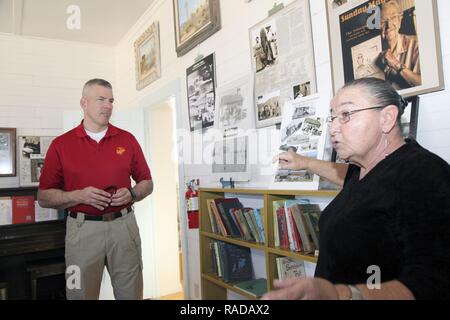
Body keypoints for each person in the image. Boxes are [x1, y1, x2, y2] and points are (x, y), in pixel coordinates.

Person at [264, 77, 450, 300]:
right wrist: (305, 162)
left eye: (346, 115)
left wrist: (341, 294)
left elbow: (432, 282)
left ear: (387, 118)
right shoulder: (363, 169)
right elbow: (367, 185)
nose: (333, 128)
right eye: (332, 117)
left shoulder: (425, 174)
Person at [37, 79, 154, 300]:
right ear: (84, 102)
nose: (108, 105)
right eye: (101, 100)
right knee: (79, 294)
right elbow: (43, 197)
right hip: (81, 232)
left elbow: (147, 182)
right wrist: (78, 195)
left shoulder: (127, 139)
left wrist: (132, 193)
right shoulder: (61, 145)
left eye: (110, 100)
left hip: (124, 228)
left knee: (132, 294)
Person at [376, 0, 421, 89]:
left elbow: (422, 83)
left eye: (393, 17)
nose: (389, 25)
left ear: (400, 20)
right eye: (383, 21)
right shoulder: (374, 49)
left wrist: (396, 64)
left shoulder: (415, 45)